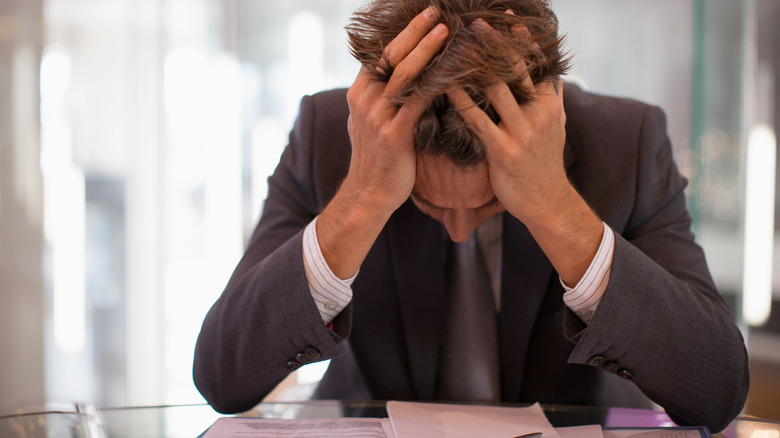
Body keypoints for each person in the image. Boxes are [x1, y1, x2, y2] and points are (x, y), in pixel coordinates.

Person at [193, 0, 749, 432]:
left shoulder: (626, 143)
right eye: (428, 203)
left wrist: (553, 205)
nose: (457, 229)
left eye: (488, 203)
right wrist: (362, 197)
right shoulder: (328, 135)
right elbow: (223, 376)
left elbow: (719, 388)